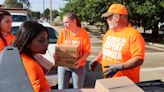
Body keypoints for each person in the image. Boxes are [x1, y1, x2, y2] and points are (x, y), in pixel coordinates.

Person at [89, 4, 145, 83]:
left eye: (109, 17)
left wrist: (120, 67)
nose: (107, 20)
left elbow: (138, 59)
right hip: (108, 80)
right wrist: (97, 60)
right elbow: (105, 49)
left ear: (117, 17)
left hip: (126, 83)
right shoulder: (109, 32)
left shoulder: (133, 34)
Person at [12, 21, 51, 92]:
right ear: (27, 42)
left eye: (47, 39)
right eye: (41, 40)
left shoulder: (18, 57)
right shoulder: (32, 65)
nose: (46, 43)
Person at [56, 12, 91, 89]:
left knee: (77, 89)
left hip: (78, 67)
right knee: (61, 88)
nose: (64, 24)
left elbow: (87, 52)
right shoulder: (63, 32)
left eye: (66, 22)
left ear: (74, 21)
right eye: (64, 22)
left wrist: (79, 61)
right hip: (63, 66)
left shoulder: (84, 34)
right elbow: (59, 48)